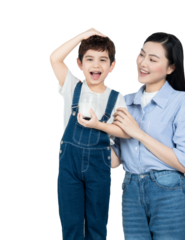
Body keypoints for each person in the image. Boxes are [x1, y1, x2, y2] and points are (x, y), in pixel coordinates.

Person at [110, 31, 185, 239]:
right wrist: (97, 128)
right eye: (141, 55)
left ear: (171, 68)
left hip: (168, 192)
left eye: (153, 59)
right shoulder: (124, 102)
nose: (143, 63)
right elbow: (114, 162)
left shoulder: (183, 104)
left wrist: (138, 133)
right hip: (131, 191)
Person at [50, 26, 130, 239]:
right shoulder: (72, 86)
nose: (96, 64)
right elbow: (54, 57)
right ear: (79, 64)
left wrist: (99, 125)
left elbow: (124, 130)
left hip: (99, 167)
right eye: (90, 59)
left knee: (97, 226)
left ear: (112, 66)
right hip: (70, 167)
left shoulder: (116, 97)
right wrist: (83, 35)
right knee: (71, 226)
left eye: (103, 60)